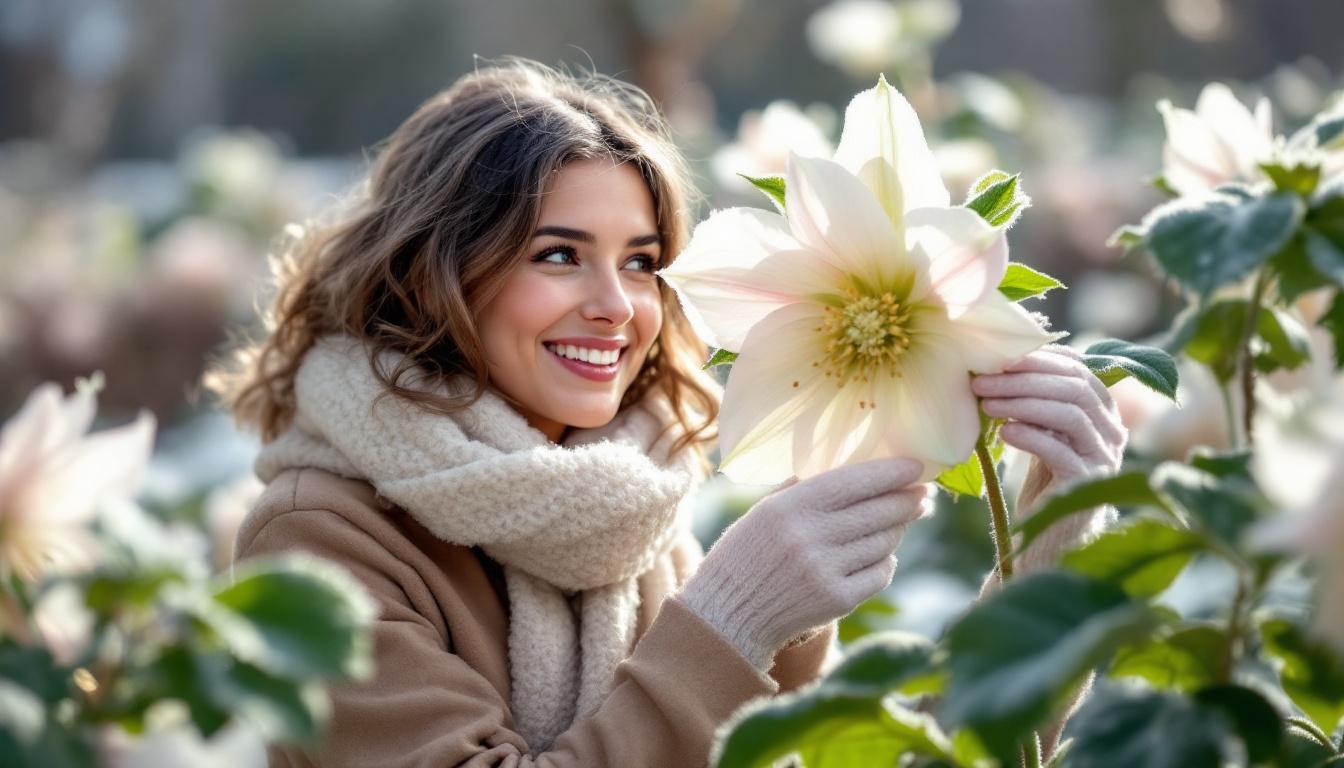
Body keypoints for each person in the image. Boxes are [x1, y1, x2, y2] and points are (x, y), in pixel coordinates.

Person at [210, 56, 1126, 768]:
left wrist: (1054, 535)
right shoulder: (315, 543)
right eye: (559, 256)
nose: (618, 306)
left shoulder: (631, 516)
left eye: (643, 261)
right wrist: (726, 627)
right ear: (433, 275)